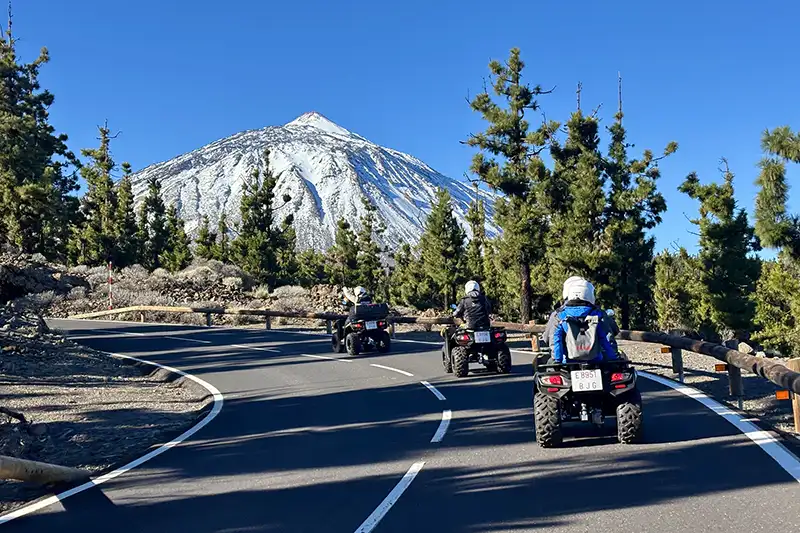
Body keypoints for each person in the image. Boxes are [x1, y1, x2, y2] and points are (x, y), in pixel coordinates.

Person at [547, 277, 618, 364]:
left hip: (569, 361)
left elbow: (555, 339)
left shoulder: (560, 315)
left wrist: (557, 360)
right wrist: (613, 358)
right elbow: (606, 338)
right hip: (595, 360)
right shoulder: (597, 314)